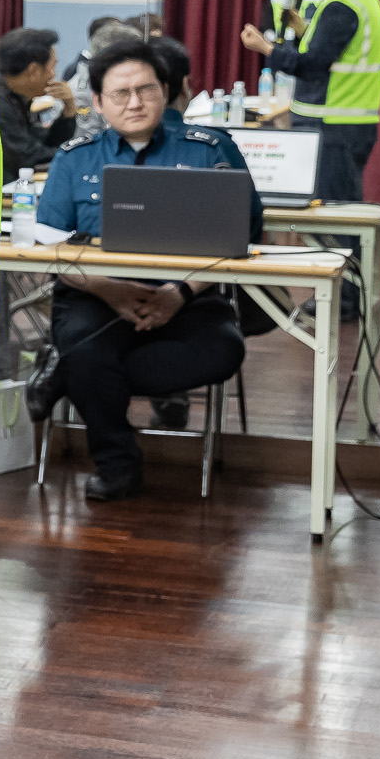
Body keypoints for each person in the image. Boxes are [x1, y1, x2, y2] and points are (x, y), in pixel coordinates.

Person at [29, 40, 257, 500]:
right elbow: (49, 247)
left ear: (167, 91)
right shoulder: (75, 158)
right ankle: (117, 464)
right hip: (96, 297)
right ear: (98, 102)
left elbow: (242, 240)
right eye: (120, 93)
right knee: (86, 347)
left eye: (146, 90)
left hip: (190, 300)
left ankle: (70, 373)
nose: (135, 102)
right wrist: (111, 291)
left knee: (222, 351)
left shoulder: (211, 150)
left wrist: (179, 293)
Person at [240, 0, 380, 202]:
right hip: (347, 120)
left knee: (333, 209)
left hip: (332, 121)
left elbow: (312, 66)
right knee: (339, 204)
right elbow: (336, 53)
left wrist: (265, 48)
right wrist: (303, 29)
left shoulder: (341, 5)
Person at [0, 28, 79, 173]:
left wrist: (69, 109)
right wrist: (79, 155)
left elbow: (41, 142)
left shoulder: (14, 95)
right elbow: (29, 157)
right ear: (33, 71)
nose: (54, 75)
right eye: (53, 67)